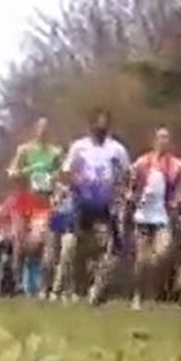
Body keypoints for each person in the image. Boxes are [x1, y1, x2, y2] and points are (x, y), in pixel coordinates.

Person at [62, 108, 131, 305]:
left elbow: (127, 175)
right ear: (90, 126)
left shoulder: (117, 150)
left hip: (107, 205)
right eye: (97, 124)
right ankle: (71, 288)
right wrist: (77, 182)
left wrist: (122, 193)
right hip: (82, 203)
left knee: (112, 249)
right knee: (72, 246)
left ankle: (98, 288)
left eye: (104, 124)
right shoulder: (79, 147)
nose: (101, 128)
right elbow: (66, 172)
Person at [129, 126, 181, 310]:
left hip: (161, 216)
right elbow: (132, 184)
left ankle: (155, 290)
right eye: (160, 137)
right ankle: (137, 296)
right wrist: (132, 197)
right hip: (143, 216)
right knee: (140, 259)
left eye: (166, 138)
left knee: (162, 252)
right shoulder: (142, 162)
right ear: (154, 140)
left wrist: (177, 202)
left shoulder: (176, 166)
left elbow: (180, 189)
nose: (163, 141)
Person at [7, 117, 62, 296]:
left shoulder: (55, 152)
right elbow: (11, 173)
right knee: (19, 241)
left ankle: (43, 285)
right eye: (41, 128)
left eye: (47, 128)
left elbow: (63, 175)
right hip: (23, 200)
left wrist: (55, 179)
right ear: (35, 130)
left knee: (41, 241)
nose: (43, 131)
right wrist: (28, 171)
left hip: (42, 202)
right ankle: (17, 283)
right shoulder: (24, 150)